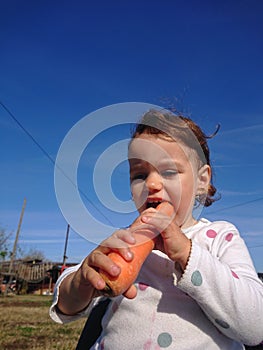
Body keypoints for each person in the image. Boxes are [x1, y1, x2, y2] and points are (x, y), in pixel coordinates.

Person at [50, 109, 263, 349]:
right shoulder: (125, 241)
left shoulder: (218, 238)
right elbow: (66, 306)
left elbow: (256, 326)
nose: (151, 184)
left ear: (202, 181)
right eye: (139, 174)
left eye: (169, 171)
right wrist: (81, 282)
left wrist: (187, 253)